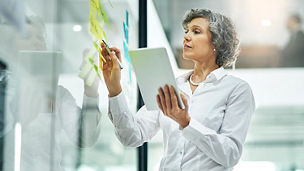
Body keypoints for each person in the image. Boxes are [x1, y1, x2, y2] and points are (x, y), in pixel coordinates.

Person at [101, 9, 255, 171]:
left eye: (196, 32)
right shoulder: (172, 86)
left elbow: (230, 154)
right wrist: (114, 89)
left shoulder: (236, 89)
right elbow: (131, 136)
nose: (186, 36)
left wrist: (186, 123)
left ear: (217, 43)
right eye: (186, 31)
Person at [0, 15, 102, 171]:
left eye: (40, 38)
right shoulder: (3, 91)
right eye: (27, 36)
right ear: (9, 46)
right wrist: (19, 124)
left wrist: (91, 92)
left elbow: (85, 138)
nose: (37, 42)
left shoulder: (59, 94)